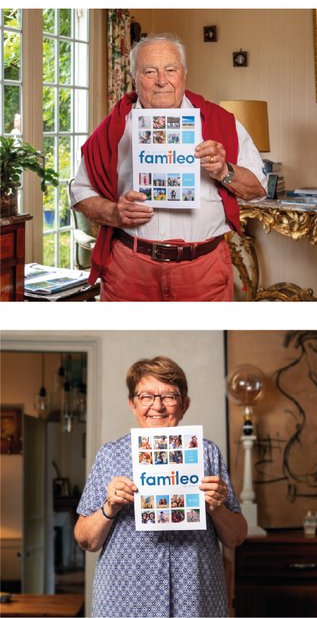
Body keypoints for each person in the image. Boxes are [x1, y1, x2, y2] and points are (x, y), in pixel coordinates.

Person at [71, 33, 267, 301]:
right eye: (150, 71)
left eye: (170, 70)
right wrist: (115, 213)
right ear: (135, 78)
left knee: (207, 343)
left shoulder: (222, 122)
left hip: (203, 271)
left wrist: (224, 171)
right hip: (130, 269)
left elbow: (257, 188)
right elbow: (80, 190)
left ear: (183, 74)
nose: (162, 80)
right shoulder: (113, 128)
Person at [76, 357, 248, 615]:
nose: (157, 406)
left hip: (194, 601)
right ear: (133, 404)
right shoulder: (110, 456)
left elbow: (236, 536)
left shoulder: (207, 453)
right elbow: (86, 540)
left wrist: (217, 507)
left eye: (169, 396)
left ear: (184, 405)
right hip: (125, 602)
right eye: (146, 396)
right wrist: (109, 507)